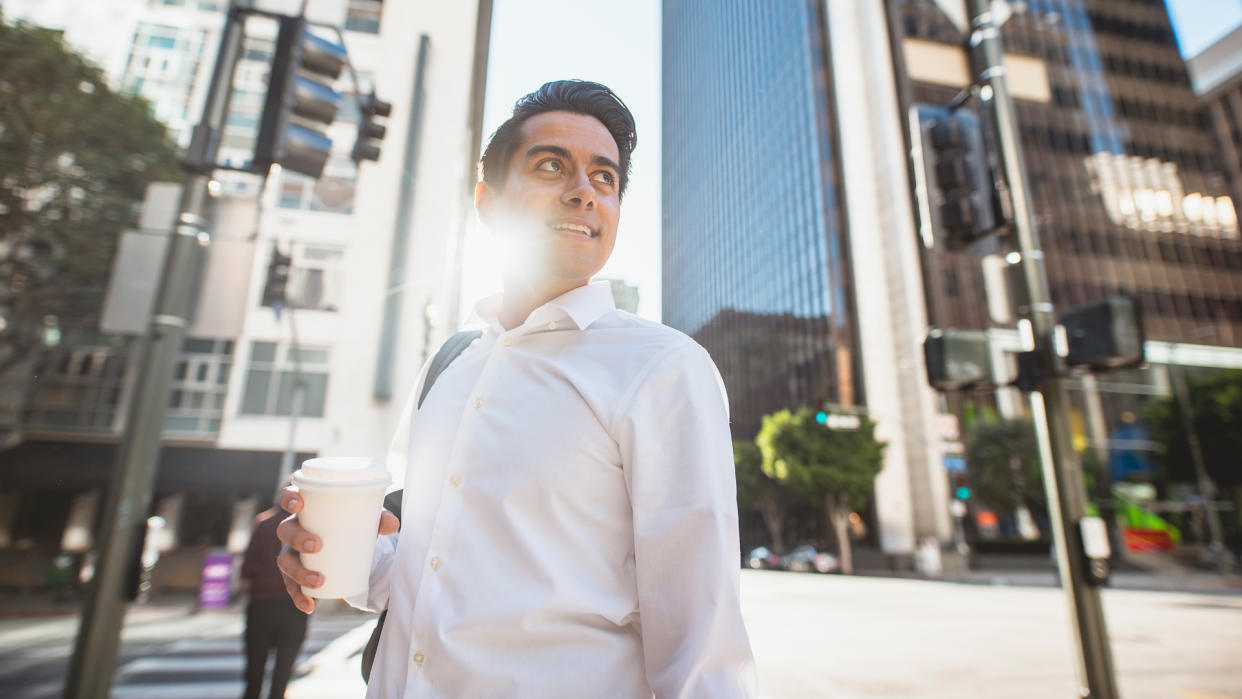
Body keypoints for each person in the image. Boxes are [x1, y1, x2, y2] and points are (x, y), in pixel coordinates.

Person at [277, 79, 757, 697]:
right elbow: (420, 565)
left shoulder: (663, 368)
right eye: (552, 165)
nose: (585, 192)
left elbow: (702, 639)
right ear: (489, 202)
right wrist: (327, 554)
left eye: (604, 178)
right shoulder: (449, 363)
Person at [242, 506, 309, 699]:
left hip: (261, 603)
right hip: (296, 605)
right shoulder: (310, 527)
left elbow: (247, 567)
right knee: (283, 672)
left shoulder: (264, 523)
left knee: (254, 672)